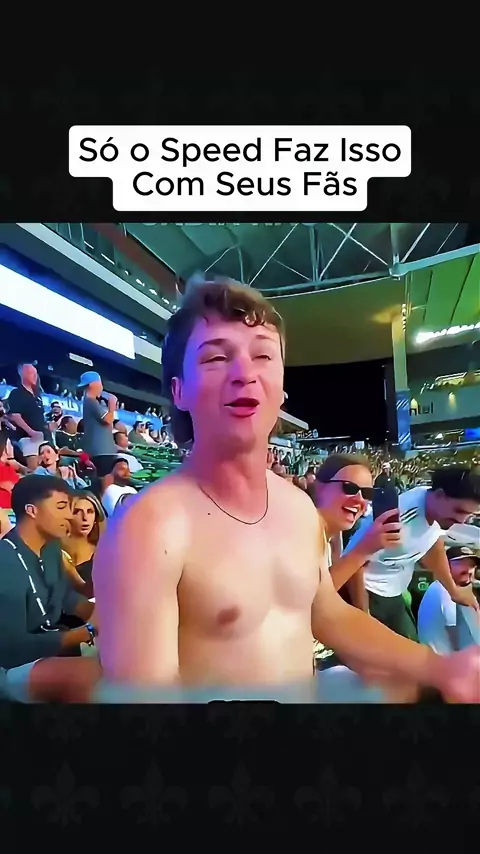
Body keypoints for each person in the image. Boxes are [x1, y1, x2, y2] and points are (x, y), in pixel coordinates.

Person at [80, 280, 480, 701]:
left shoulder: (297, 507)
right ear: (179, 391)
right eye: (216, 357)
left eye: (263, 355)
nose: (245, 373)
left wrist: (440, 667)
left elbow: (328, 615)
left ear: (281, 385)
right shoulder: (147, 528)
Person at [334, 466, 480, 639]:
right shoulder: (398, 516)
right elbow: (356, 562)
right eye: (459, 511)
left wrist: (453, 591)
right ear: (440, 495)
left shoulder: (436, 507)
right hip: (367, 592)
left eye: (469, 515)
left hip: (393, 591)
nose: (462, 521)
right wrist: (363, 615)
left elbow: (433, 543)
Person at [0, 476, 97, 674]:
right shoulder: (5, 561)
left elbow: (66, 597)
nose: (70, 516)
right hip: (13, 665)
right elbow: (12, 648)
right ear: (32, 511)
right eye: (62, 507)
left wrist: (101, 613)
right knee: (95, 673)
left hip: (54, 646)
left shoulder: (51, 547)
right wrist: (87, 632)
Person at [417, 546, 480, 654]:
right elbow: (453, 633)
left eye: (471, 565)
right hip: (448, 659)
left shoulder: (444, 588)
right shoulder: (445, 591)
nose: (469, 569)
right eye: (460, 563)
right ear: (446, 566)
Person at [6, 363, 48, 470]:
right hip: (26, 438)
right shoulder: (17, 393)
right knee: (34, 466)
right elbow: (15, 416)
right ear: (22, 375)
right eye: (30, 372)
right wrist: (32, 432)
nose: (34, 375)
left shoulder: (37, 397)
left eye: (35, 373)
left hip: (41, 438)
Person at [78, 371, 119, 476]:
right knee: (105, 479)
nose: (101, 387)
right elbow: (108, 420)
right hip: (101, 451)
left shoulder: (92, 401)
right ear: (93, 384)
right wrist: (112, 406)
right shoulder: (91, 401)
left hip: (103, 450)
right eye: (100, 383)